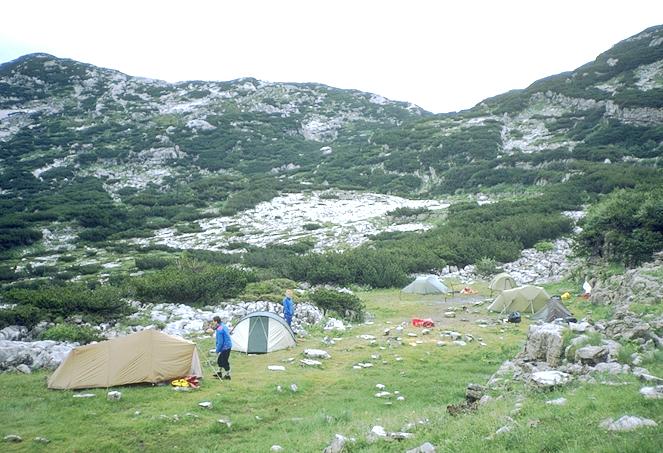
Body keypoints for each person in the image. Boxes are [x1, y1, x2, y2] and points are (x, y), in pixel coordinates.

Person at [213, 315, 232, 380]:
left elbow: (220, 342)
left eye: (213, 322)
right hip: (227, 345)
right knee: (219, 360)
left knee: (224, 362)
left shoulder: (219, 329)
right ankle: (219, 373)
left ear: (216, 322)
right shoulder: (223, 325)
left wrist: (217, 350)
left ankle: (228, 375)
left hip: (225, 347)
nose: (213, 323)